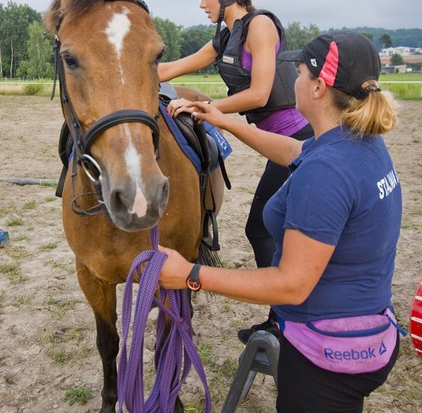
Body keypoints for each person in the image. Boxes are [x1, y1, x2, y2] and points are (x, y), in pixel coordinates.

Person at [159, 32, 403, 412]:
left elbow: (291, 286)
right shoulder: (360, 143)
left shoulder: (326, 173)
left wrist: (190, 274)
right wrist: (226, 122)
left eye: (300, 73)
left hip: (327, 355)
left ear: (319, 87)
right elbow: (294, 150)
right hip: (368, 333)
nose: (294, 82)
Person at [158, 0, 313, 343]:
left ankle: (284, 320)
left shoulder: (259, 26)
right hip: (277, 141)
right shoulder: (225, 35)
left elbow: (260, 94)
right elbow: (174, 67)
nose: (202, 2)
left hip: (299, 141)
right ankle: (288, 315)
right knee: (271, 224)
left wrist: (205, 105)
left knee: (260, 226)